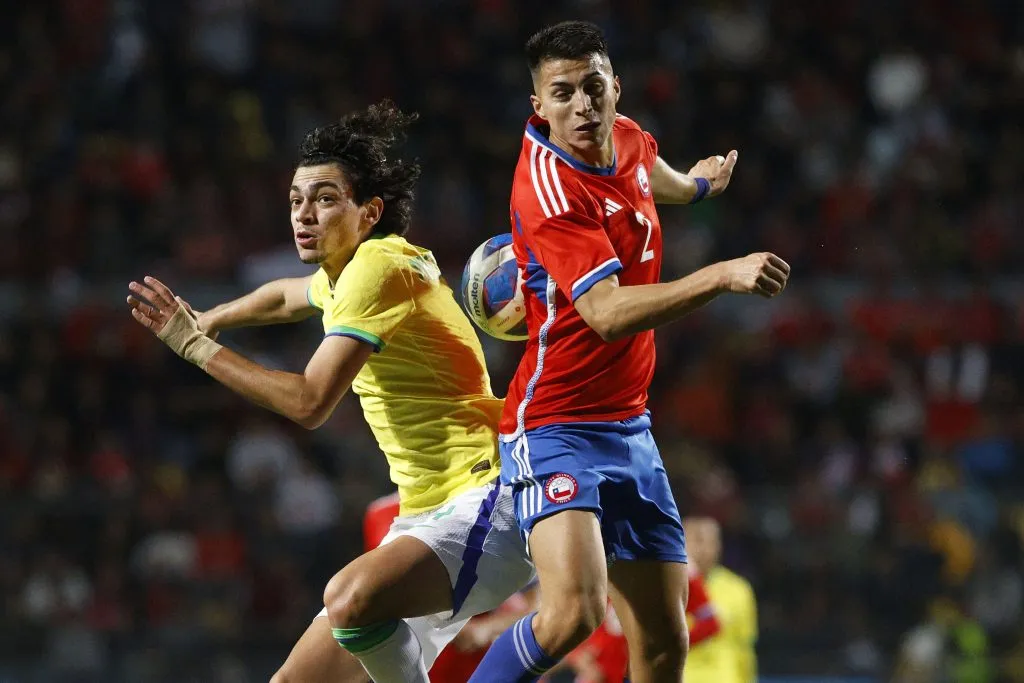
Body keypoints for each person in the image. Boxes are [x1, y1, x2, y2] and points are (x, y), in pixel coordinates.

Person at [126, 101, 534, 683]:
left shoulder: (378, 269)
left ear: (369, 212)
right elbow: (288, 296)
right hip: (428, 518)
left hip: (489, 498)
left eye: (323, 198)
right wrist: (214, 316)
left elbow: (309, 401)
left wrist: (196, 347)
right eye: (295, 200)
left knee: (348, 599)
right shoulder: (346, 273)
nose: (304, 214)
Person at [466, 21, 789, 683]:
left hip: (630, 426)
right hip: (555, 423)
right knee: (573, 613)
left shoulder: (625, 136)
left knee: (668, 640)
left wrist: (698, 187)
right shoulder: (548, 189)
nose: (581, 104)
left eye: (592, 86)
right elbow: (607, 314)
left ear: (615, 86)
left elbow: (652, 175)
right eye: (562, 93)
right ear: (540, 106)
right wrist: (721, 275)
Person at [363, 492, 540, 683]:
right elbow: (378, 593)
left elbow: (544, 603)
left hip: (475, 667)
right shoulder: (378, 513)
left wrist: (485, 629)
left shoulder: (492, 499)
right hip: (414, 664)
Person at [552, 570, 722, 683]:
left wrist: (664, 648)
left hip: (646, 674)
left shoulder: (682, 569)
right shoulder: (607, 556)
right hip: (599, 675)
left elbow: (710, 623)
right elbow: (579, 615)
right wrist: (579, 656)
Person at [683, 517, 758, 683]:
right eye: (696, 540)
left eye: (710, 542)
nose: (703, 549)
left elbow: (744, 647)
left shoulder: (739, 589)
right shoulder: (669, 589)